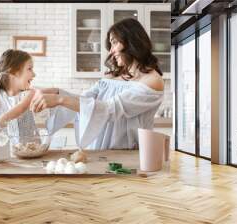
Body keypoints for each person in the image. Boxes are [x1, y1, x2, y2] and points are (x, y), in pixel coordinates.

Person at [30, 18, 164, 150]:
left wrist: (60, 100)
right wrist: (56, 92)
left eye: (114, 43)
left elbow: (110, 110)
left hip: (128, 155)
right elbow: (86, 100)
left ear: (132, 41)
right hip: (98, 150)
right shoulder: (112, 76)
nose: (111, 51)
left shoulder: (152, 80)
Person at [0, 49, 38, 137]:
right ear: (13, 71)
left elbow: (21, 108)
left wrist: (2, 120)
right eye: (29, 69)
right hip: (3, 146)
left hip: (28, 147)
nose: (34, 74)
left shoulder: (29, 93)